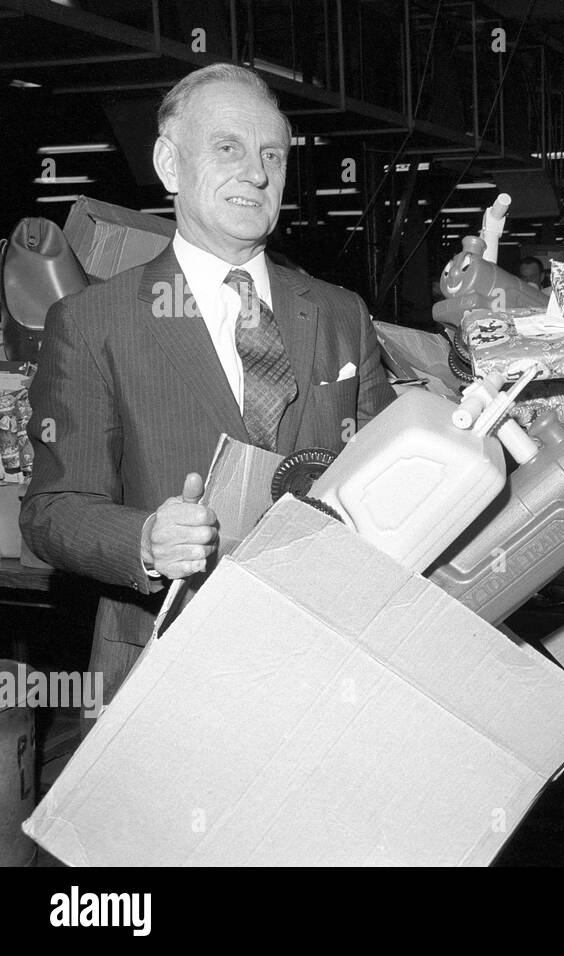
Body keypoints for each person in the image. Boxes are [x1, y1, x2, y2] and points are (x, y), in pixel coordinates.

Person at [21, 63, 396, 717]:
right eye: (229, 148)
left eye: (271, 155)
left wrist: (462, 418)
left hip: (325, 661)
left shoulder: (340, 313)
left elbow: (389, 476)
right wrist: (143, 540)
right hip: (166, 671)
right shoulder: (92, 323)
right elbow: (49, 513)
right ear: (169, 163)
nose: (255, 172)